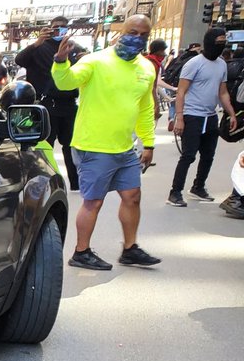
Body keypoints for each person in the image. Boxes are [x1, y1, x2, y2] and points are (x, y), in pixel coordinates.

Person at [51, 14, 162, 271]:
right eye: (132, 32)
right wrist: (60, 62)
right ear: (121, 31)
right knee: (94, 201)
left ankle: (130, 249)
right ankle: (81, 252)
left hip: (124, 147)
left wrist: (148, 143)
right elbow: (66, 81)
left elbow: (145, 108)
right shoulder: (95, 61)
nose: (137, 38)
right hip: (94, 146)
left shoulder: (146, 68)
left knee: (133, 196)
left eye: (143, 34)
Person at [168, 27, 237, 206]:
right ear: (209, 42)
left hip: (211, 116)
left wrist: (232, 114)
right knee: (188, 156)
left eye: (223, 43)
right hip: (192, 115)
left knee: (208, 156)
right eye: (218, 42)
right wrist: (180, 118)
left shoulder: (222, 64)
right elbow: (181, 92)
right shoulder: (193, 63)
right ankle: (175, 193)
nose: (221, 46)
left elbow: (222, 92)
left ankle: (198, 187)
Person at [15, 16, 80, 190]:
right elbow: (19, 60)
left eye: (63, 28)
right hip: (45, 104)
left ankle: (75, 184)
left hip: (68, 104)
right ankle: (44, 183)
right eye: (55, 28)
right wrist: (37, 42)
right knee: (43, 146)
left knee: (71, 145)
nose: (59, 31)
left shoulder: (73, 48)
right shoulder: (39, 48)